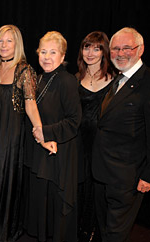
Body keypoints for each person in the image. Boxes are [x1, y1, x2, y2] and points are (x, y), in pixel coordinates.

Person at [0, 25, 56, 242]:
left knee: (3, 178)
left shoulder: (24, 70)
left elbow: (30, 106)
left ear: (17, 44)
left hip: (9, 136)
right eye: (0, 41)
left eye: (9, 41)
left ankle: (3, 230)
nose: (3, 45)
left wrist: (42, 134)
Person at [92, 27, 150, 242]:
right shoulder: (117, 80)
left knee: (116, 234)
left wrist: (148, 175)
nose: (120, 53)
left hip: (128, 177)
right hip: (102, 172)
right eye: (115, 48)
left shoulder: (147, 82)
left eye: (127, 48)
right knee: (104, 229)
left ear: (140, 49)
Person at [25, 31, 82, 242]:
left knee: (57, 206)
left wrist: (45, 133)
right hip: (42, 152)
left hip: (59, 153)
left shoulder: (66, 81)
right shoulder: (38, 78)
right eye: (43, 51)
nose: (46, 57)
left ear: (63, 55)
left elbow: (74, 121)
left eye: (53, 52)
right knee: (42, 202)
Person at [76, 31, 115, 242]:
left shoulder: (115, 81)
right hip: (79, 145)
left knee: (98, 194)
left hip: (101, 148)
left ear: (104, 52)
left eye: (96, 48)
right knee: (80, 189)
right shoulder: (75, 79)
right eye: (86, 47)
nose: (90, 53)